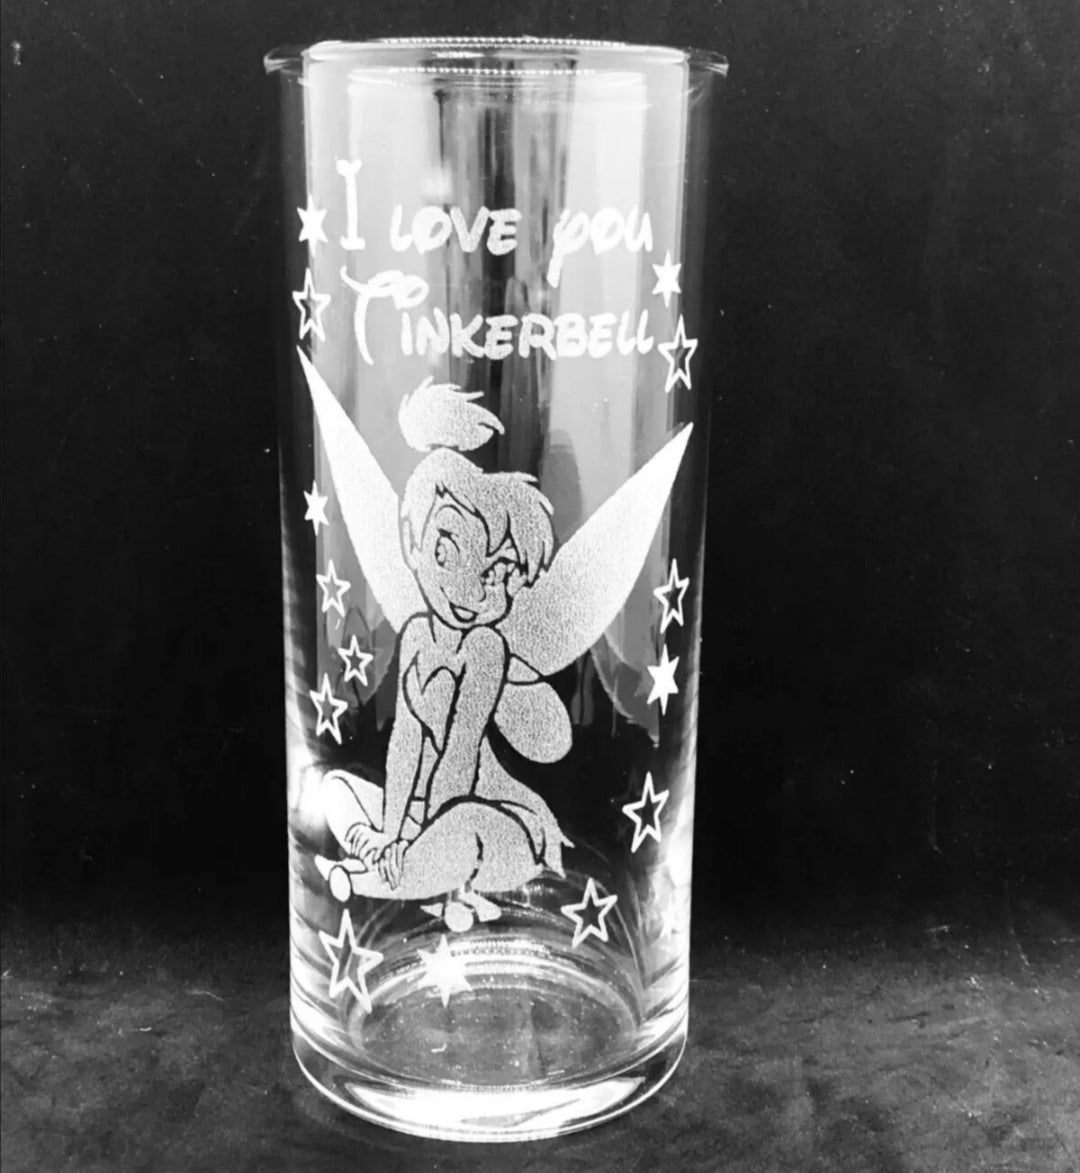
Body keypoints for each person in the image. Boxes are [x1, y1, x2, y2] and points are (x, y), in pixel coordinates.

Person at [316, 379, 570, 931]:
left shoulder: (485, 647)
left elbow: (459, 755)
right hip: (421, 818)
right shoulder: (417, 638)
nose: (472, 588)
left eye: (497, 574)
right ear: (414, 546)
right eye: (447, 553)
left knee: (463, 828)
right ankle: (393, 861)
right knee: (332, 787)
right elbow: (406, 742)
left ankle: (366, 877)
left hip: (496, 829)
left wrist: (410, 838)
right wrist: (394, 830)